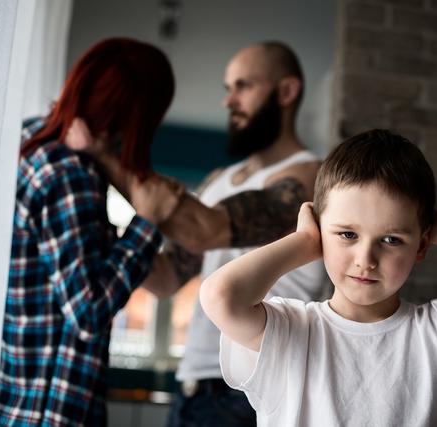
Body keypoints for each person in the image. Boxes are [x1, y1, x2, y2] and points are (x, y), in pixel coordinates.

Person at [201, 129, 437, 426]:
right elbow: (220, 295)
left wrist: (432, 222)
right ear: (319, 231)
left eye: (391, 239)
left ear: (420, 246)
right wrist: (305, 242)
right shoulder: (291, 331)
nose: (366, 259)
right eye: (347, 234)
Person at [66, 41, 328, 426]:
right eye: (227, 88)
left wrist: (104, 156)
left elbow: (205, 229)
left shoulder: (309, 177)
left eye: (243, 86)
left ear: (286, 91)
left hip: (254, 390)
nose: (229, 101)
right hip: (191, 388)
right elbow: (168, 277)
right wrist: (99, 235)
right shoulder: (217, 181)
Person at [0, 38, 181, 426]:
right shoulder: (68, 173)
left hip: (17, 400)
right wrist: (145, 226)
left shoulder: (28, 140)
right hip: (50, 409)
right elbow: (87, 311)